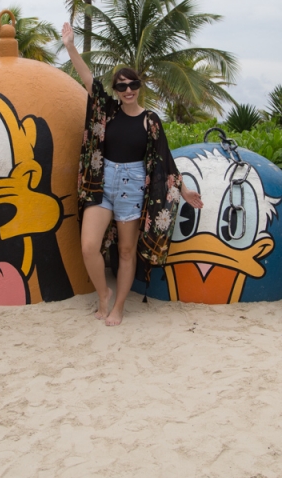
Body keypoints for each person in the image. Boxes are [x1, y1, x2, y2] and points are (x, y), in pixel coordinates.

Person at [62, 22, 203, 326]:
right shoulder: (108, 111)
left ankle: (119, 306)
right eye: (122, 86)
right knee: (89, 246)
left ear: (140, 87)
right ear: (116, 90)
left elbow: (165, 160)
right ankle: (103, 293)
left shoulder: (150, 120)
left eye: (133, 84)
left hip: (133, 186)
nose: (128, 90)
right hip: (103, 182)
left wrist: (184, 189)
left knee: (127, 251)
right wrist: (71, 46)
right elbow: (88, 79)